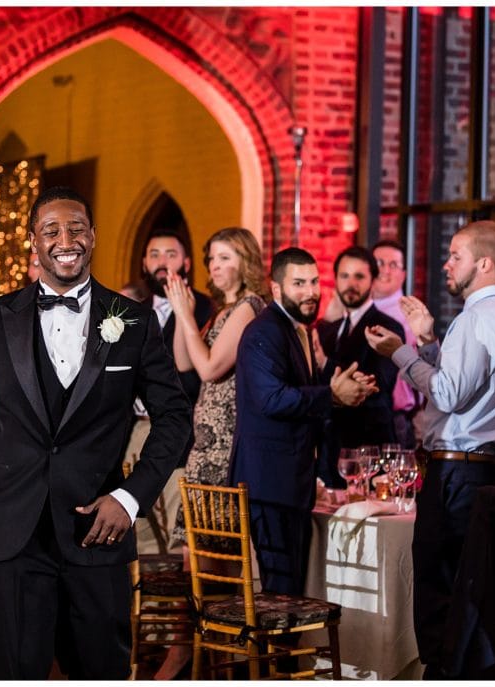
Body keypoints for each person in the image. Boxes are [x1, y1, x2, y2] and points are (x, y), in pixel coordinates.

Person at [0, 186, 193, 679]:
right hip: (10, 533)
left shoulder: (132, 321)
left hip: (96, 531)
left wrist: (130, 498)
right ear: (33, 242)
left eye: (76, 228)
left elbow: (174, 419)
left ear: (94, 236)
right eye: (51, 230)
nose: (65, 239)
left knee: (100, 672)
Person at [364, 220, 495, 679]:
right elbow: (465, 389)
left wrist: (400, 352)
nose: (446, 263)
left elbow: (449, 395)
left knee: (440, 596)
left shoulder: (479, 317)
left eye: (455, 255)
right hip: (477, 470)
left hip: (458, 473)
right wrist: (430, 342)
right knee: (463, 593)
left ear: (484, 263)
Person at [229, 247, 377, 595]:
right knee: (282, 592)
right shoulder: (264, 332)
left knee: (292, 587)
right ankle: (277, 652)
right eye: (299, 283)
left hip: (289, 481)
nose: (311, 291)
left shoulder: (298, 329)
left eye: (314, 281)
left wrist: (342, 391)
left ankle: (286, 649)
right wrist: (332, 395)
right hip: (268, 482)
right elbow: (272, 399)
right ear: (276, 289)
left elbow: (302, 396)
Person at [156, 226, 267, 679]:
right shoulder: (225, 310)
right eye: (211, 260)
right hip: (207, 449)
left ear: (244, 260)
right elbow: (184, 362)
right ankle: (201, 655)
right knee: (199, 563)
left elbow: (208, 367)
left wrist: (183, 312)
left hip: (223, 451)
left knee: (208, 564)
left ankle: (197, 656)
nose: (215, 267)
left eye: (224, 258)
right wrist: (185, 312)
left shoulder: (247, 308)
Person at [122, 229, 214, 556]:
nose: (163, 262)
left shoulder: (205, 308)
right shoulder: (129, 310)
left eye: (171, 254)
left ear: (187, 262)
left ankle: (182, 601)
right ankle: (144, 601)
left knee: (178, 523)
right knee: (140, 524)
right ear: (145, 263)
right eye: (155, 254)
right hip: (134, 429)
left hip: (180, 429)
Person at [314, 245, 404, 487]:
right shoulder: (326, 330)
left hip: (369, 451)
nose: (350, 283)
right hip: (328, 451)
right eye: (344, 276)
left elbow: (378, 382)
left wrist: (325, 363)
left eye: (359, 276)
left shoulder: (388, 327)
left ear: (373, 281)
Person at [371, 239, 422, 447]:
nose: (385, 270)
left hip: (394, 418)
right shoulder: (355, 310)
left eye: (393, 265)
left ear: (404, 274)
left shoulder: (410, 314)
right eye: (379, 263)